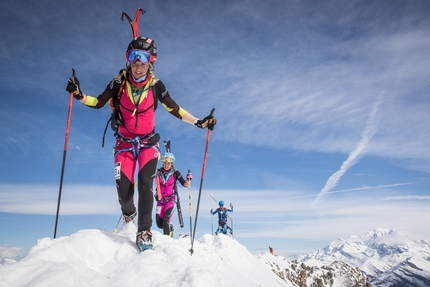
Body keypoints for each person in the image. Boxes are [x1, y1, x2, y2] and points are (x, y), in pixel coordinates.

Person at [65, 35, 216, 251]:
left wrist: (199, 122)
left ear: (151, 61)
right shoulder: (119, 82)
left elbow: (174, 108)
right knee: (124, 194)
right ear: (128, 61)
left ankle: (144, 231)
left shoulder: (156, 86)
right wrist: (79, 95)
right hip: (124, 144)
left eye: (142, 61)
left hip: (148, 144)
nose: (137, 66)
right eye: (133, 60)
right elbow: (98, 102)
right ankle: (129, 213)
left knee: (146, 183)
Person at [155, 152, 191, 237]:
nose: (166, 165)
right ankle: (170, 228)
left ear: (172, 163)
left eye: (168, 163)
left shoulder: (175, 173)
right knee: (159, 224)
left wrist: (188, 180)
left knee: (165, 219)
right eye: (165, 163)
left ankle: (166, 240)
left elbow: (184, 184)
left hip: (171, 199)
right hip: (161, 200)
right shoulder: (158, 172)